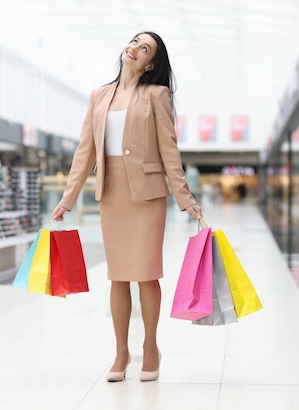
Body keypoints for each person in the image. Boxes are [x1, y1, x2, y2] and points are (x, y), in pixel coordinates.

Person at [52, 31, 202, 382]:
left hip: (147, 195)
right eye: (133, 41)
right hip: (113, 194)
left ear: (151, 63)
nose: (134, 47)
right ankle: (121, 351)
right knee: (118, 277)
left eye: (144, 47)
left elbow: (169, 150)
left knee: (147, 274)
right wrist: (67, 198)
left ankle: (151, 348)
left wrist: (185, 197)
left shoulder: (157, 95)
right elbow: (84, 152)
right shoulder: (98, 96)